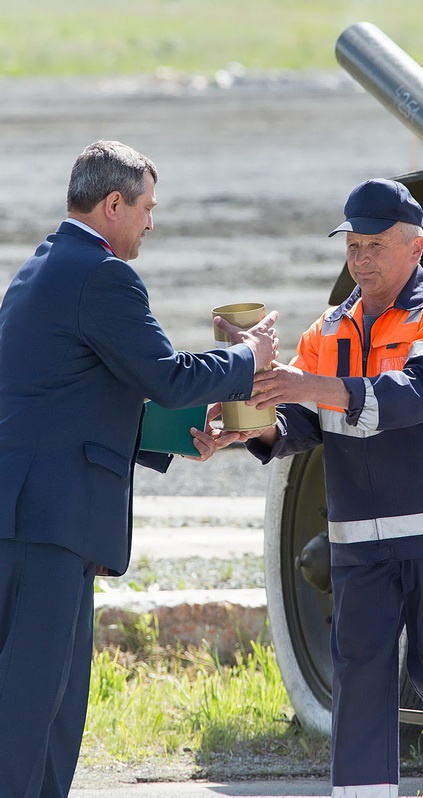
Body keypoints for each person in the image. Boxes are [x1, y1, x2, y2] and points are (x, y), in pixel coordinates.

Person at [0, 139, 278, 798]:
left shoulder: (43, 265)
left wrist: (186, 436)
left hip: (30, 518)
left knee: (43, 710)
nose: (151, 222)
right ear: (114, 203)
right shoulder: (103, 275)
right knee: (34, 714)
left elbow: (80, 399)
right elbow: (165, 375)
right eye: (147, 207)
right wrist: (250, 357)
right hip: (48, 525)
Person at [200, 178, 423, 798]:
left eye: (373, 246)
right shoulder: (330, 327)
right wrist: (248, 426)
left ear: (414, 248)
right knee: (359, 684)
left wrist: (308, 386)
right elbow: (300, 423)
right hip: (358, 544)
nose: (359, 259)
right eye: (352, 245)